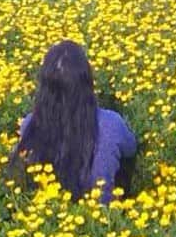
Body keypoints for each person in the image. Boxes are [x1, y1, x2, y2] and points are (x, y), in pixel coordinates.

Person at [7, 39, 137, 204]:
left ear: (44, 89)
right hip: (102, 219)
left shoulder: (30, 126)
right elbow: (131, 149)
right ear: (88, 81)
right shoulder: (113, 123)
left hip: (47, 214)